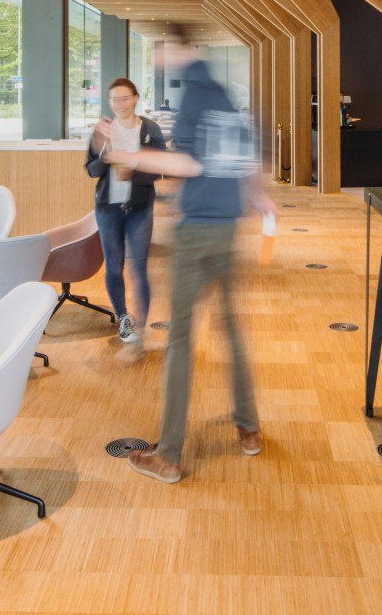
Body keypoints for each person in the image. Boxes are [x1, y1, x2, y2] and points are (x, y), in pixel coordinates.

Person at [101, 26, 277, 484]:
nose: (161, 58)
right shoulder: (225, 94)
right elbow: (248, 160)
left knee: (180, 338)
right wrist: (258, 196)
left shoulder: (195, 96)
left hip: (197, 231)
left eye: (163, 50)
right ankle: (249, 428)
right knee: (232, 328)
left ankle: (169, 456)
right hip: (228, 227)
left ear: (181, 49)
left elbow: (188, 164)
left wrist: (129, 156)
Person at [86, 77, 167, 346]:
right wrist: (104, 155)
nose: (120, 104)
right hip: (108, 209)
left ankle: (141, 325)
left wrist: (133, 168)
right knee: (113, 264)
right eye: (114, 100)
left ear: (135, 98)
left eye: (125, 98)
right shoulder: (103, 130)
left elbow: (160, 168)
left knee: (138, 266)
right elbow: (91, 170)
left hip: (139, 208)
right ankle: (122, 317)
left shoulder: (150, 129)